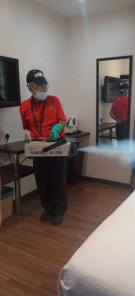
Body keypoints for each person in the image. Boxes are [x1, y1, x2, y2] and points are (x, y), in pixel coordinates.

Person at [20, 69, 67, 225]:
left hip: (56, 145)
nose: (44, 89)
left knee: (58, 180)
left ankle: (59, 211)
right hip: (39, 148)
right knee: (42, 181)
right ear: (30, 87)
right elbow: (26, 126)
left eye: (44, 85)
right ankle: (47, 209)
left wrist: (56, 129)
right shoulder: (24, 106)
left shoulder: (55, 101)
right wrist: (28, 135)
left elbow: (62, 121)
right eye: (39, 86)